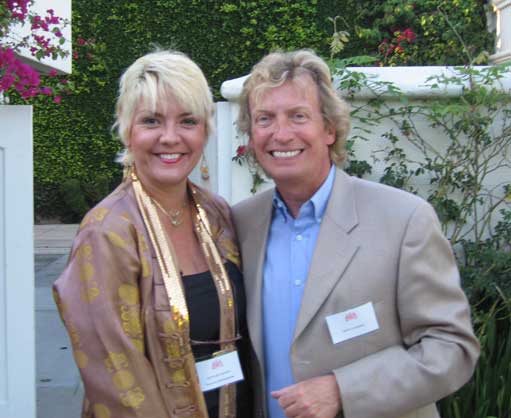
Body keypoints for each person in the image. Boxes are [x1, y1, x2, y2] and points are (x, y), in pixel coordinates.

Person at [232, 49, 480, 418]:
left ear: (330, 129)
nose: (281, 134)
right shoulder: (241, 224)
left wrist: (343, 390)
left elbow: (450, 347)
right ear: (252, 136)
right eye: (264, 119)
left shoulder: (404, 220)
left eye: (298, 116)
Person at [53, 50, 250, 418]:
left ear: (205, 131)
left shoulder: (216, 213)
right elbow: (117, 379)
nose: (170, 137)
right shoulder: (106, 232)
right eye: (151, 121)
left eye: (187, 121)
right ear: (127, 130)